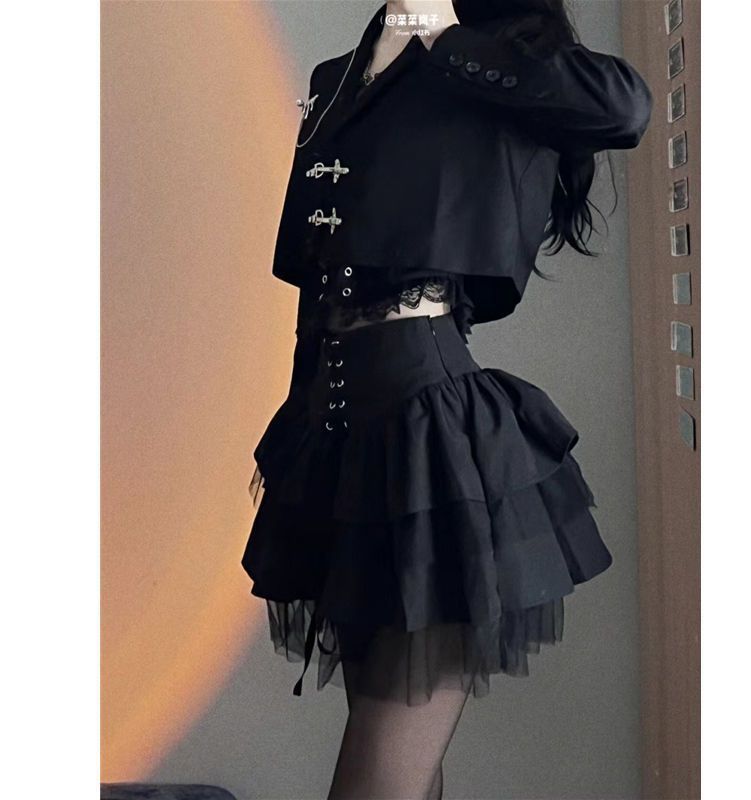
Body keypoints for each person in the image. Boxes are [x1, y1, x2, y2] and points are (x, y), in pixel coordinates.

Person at [241, 1, 652, 797]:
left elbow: (624, 109)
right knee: (405, 770)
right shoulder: (334, 82)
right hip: (338, 441)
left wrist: (439, 31)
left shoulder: (490, 54)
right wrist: (302, 451)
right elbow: (314, 285)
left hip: (429, 439)